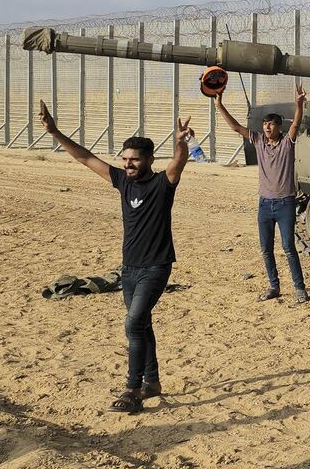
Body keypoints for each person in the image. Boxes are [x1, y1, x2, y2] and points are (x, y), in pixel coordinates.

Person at [37, 100, 194, 414]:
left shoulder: (163, 184)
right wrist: (55, 132)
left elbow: (178, 162)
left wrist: (180, 144)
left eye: (134, 160)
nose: (128, 165)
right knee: (142, 324)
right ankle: (152, 382)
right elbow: (86, 158)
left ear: (149, 159)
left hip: (155, 268)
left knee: (133, 324)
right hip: (129, 268)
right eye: (124, 159)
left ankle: (132, 389)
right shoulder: (123, 182)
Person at [214, 83, 309, 304]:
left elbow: (296, 123)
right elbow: (237, 128)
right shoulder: (258, 142)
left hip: (285, 203)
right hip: (265, 205)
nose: (266, 127)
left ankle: (299, 288)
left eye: (271, 124)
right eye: (265, 124)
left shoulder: (287, 143)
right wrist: (220, 105)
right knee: (266, 249)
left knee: (288, 247)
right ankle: (274, 286)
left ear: (278, 127)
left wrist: (299, 104)